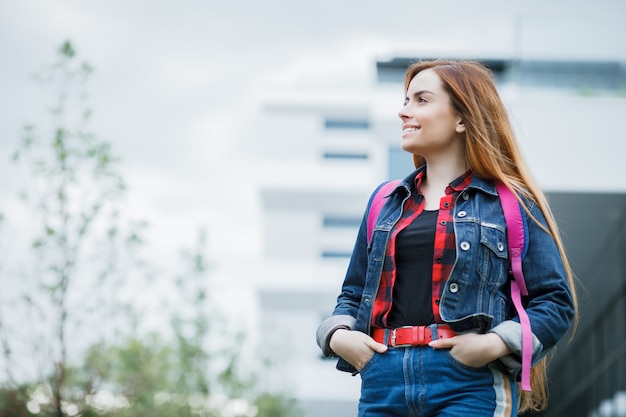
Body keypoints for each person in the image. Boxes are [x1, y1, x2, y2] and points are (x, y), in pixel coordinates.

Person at [316, 59, 577, 417]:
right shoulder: (384, 202)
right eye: (406, 101)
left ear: (462, 119)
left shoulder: (511, 204)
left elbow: (555, 302)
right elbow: (354, 293)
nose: (403, 112)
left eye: (421, 100)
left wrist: (493, 344)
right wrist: (336, 336)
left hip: (469, 383)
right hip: (382, 381)